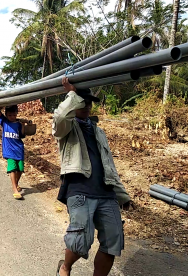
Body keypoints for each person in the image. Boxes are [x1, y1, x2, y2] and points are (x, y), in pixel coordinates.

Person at [53, 77, 133, 276]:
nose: (87, 106)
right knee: (80, 239)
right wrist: (72, 93)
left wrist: (122, 195)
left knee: (114, 240)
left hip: (106, 192)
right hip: (79, 190)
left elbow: (109, 165)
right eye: (83, 101)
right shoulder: (67, 129)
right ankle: (65, 267)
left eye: (89, 102)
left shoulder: (99, 131)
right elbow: (61, 117)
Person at [0, 105, 32, 200]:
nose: (12, 117)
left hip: (18, 149)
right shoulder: (4, 122)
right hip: (9, 150)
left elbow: (22, 135)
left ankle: (16, 183)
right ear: (6, 115)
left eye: (14, 115)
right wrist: (4, 104)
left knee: (20, 169)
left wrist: (23, 125)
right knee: (12, 168)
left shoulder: (18, 124)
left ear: (16, 114)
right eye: (9, 115)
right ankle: (15, 189)